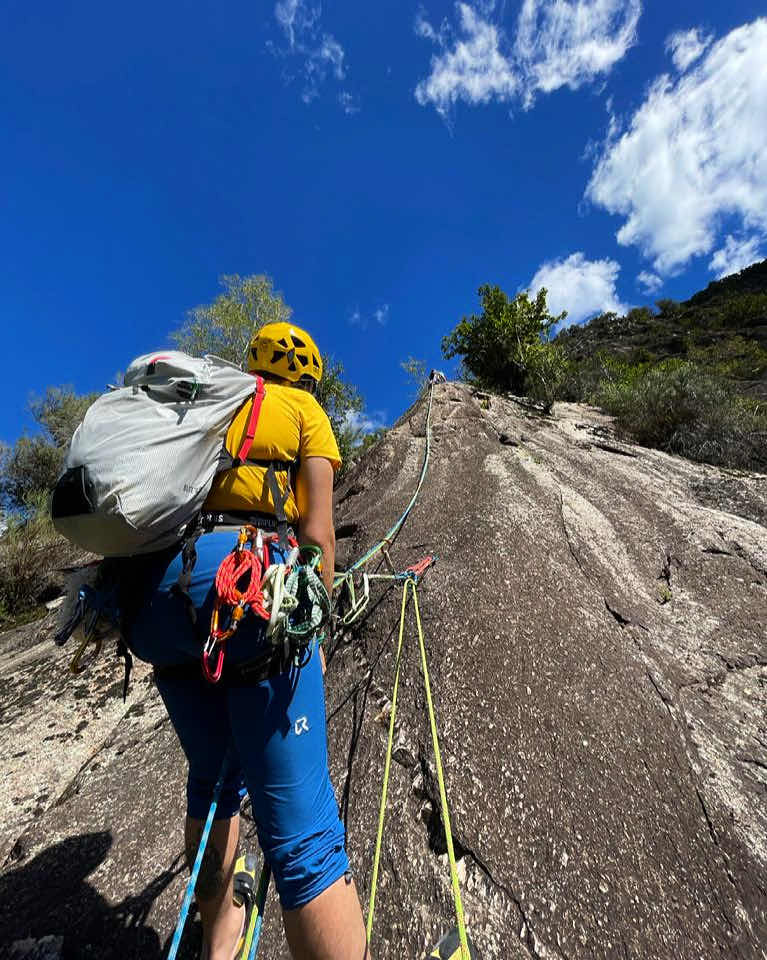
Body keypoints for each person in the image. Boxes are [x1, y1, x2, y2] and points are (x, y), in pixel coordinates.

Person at [120, 323, 370, 960]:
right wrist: (314, 624)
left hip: (157, 601)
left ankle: (218, 945)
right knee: (305, 832)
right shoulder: (304, 410)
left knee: (212, 783)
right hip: (245, 586)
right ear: (307, 376)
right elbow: (318, 533)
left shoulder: (212, 396)